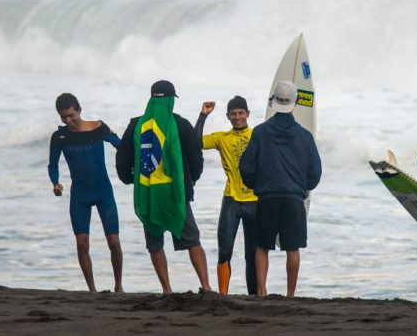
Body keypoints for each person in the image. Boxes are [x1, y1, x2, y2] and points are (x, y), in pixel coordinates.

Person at [116, 80, 211, 294]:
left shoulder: (136, 125)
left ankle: (167, 289)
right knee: (192, 240)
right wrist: (192, 179)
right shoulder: (180, 124)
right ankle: (206, 286)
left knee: (155, 243)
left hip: (149, 194)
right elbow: (195, 156)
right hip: (176, 193)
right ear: (170, 100)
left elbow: (122, 159)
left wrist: (130, 179)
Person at [239, 80, 322, 297]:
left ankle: (262, 291)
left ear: (274, 102)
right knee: (292, 248)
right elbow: (315, 173)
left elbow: (246, 167)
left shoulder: (260, 132)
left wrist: (257, 185)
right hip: (294, 199)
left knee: (262, 247)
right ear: (294, 104)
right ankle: (290, 294)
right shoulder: (305, 136)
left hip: (267, 197)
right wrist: (303, 188)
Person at [47, 93, 124, 293]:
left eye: (71, 115)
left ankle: (118, 287)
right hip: (79, 195)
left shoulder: (99, 128)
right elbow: (52, 165)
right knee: (82, 244)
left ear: (79, 110)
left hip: (103, 191)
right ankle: (92, 290)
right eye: (63, 117)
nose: (68, 121)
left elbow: (121, 146)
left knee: (114, 243)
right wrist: (55, 183)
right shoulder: (59, 137)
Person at [194, 96, 258, 295]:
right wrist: (203, 116)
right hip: (231, 200)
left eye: (241, 113)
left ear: (248, 114)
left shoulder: (258, 135)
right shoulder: (222, 138)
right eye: (233, 114)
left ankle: (254, 296)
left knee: (252, 254)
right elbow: (195, 142)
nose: (237, 117)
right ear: (228, 117)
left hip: (255, 201)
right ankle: (223, 296)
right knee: (224, 252)